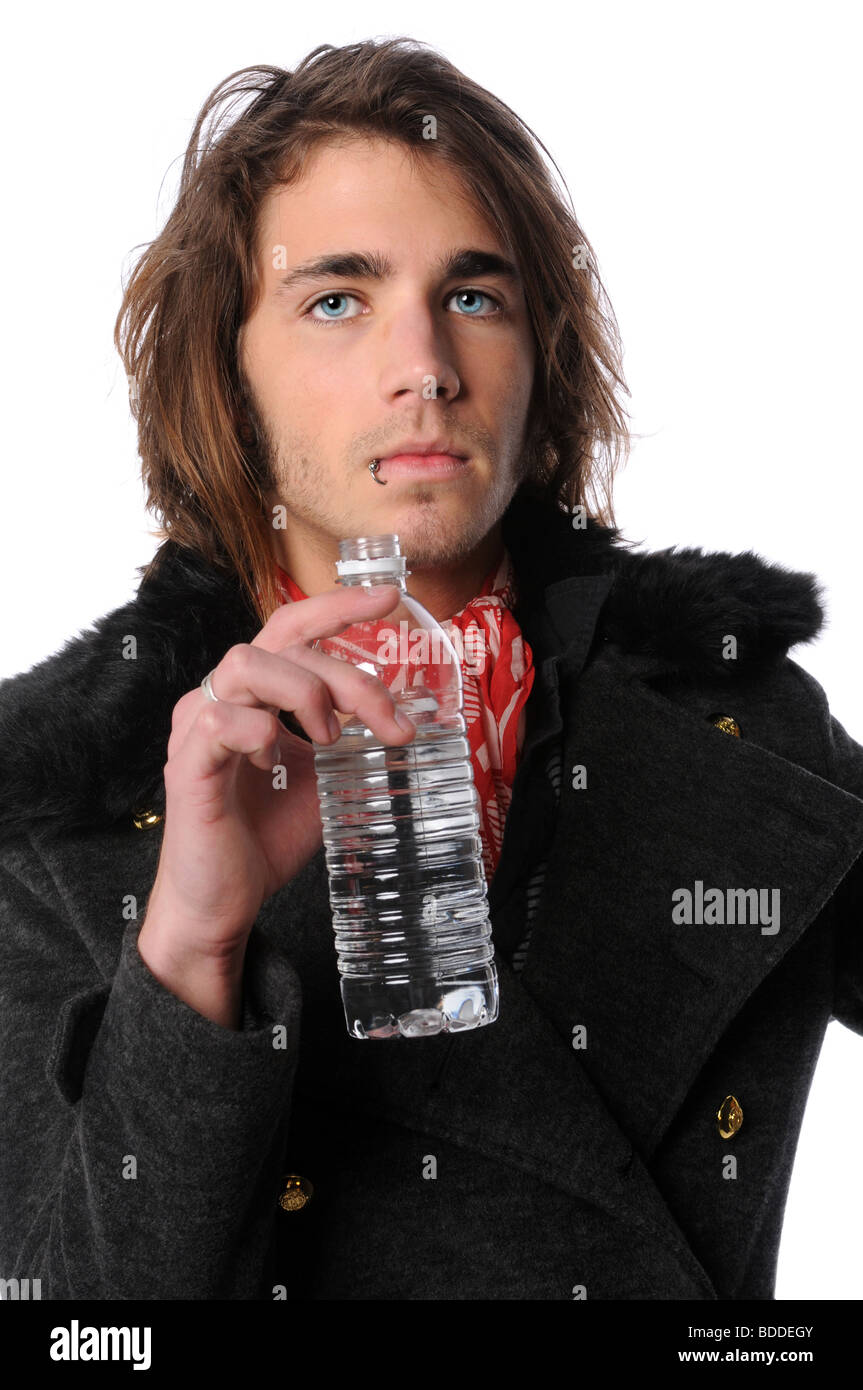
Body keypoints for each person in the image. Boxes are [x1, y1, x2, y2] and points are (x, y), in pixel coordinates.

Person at [1, 36, 861, 1302]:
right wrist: (187, 951)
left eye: (473, 296)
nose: (425, 369)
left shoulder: (738, 726)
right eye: (335, 299)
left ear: (537, 361)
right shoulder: (51, 808)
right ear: (229, 379)